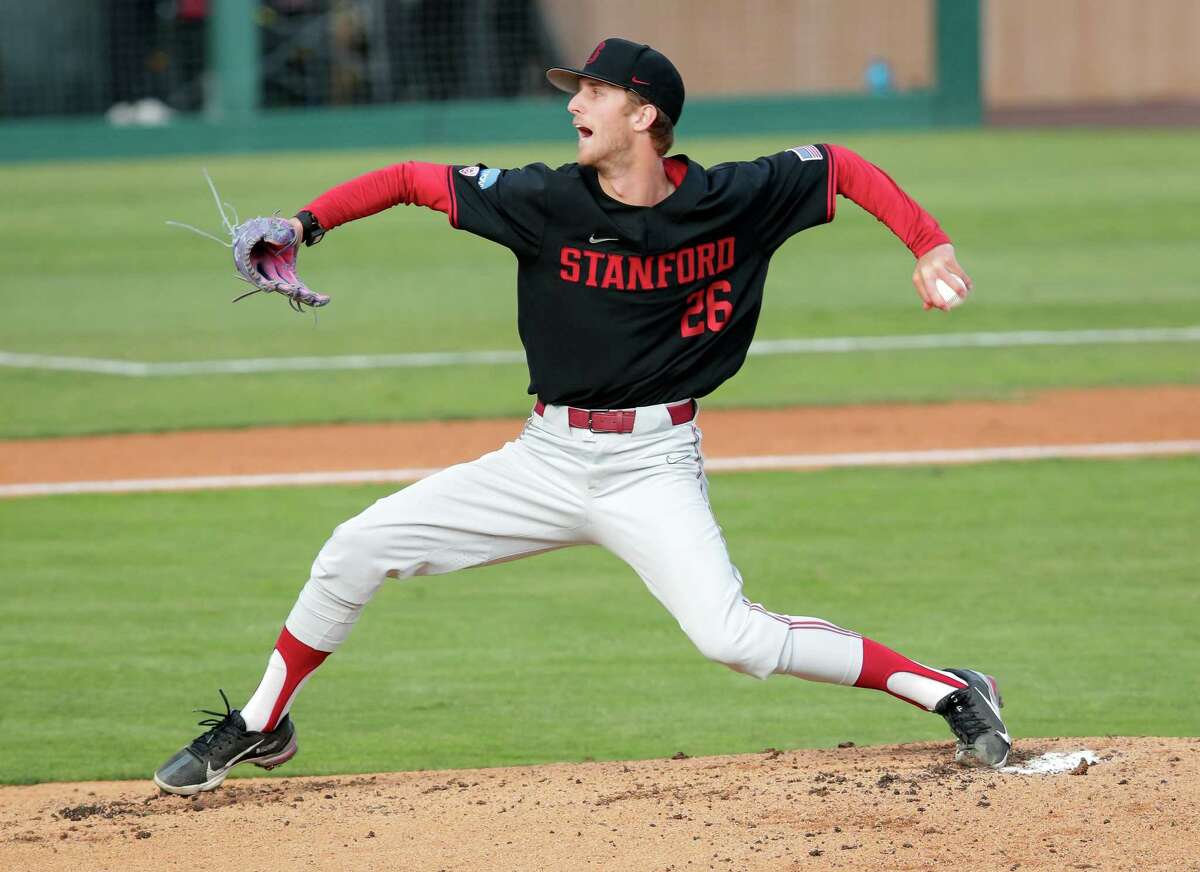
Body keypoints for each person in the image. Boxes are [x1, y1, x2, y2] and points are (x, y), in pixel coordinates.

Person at [153, 37, 1010, 796]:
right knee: (356, 547)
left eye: (593, 92)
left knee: (732, 639)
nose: (573, 104)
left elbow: (839, 164)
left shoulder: (735, 197)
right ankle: (265, 721)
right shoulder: (545, 201)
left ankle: (949, 689)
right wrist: (306, 222)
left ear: (645, 114)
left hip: (654, 465)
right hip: (542, 461)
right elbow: (414, 180)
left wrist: (927, 242)